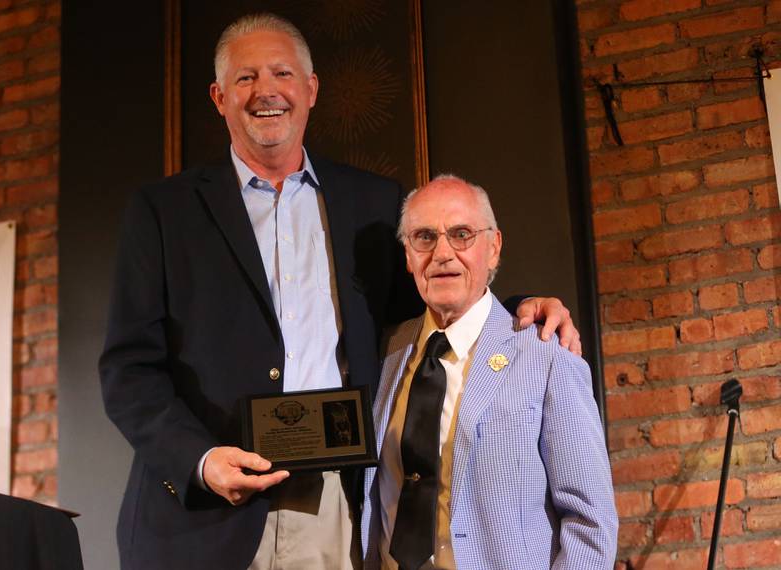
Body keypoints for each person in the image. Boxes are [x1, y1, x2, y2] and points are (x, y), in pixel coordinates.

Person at [99, 13, 581, 570]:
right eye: (245, 77)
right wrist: (200, 460)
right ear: (218, 96)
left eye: (281, 73)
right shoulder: (163, 212)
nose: (265, 91)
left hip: (334, 509)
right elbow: (128, 371)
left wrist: (522, 303)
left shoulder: (371, 204)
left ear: (310, 89)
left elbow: (430, 301)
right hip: (200, 519)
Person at [361, 175, 618, 570]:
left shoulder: (548, 355)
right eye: (425, 237)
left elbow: (591, 522)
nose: (442, 253)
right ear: (409, 255)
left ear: (493, 247)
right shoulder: (390, 352)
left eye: (461, 234)